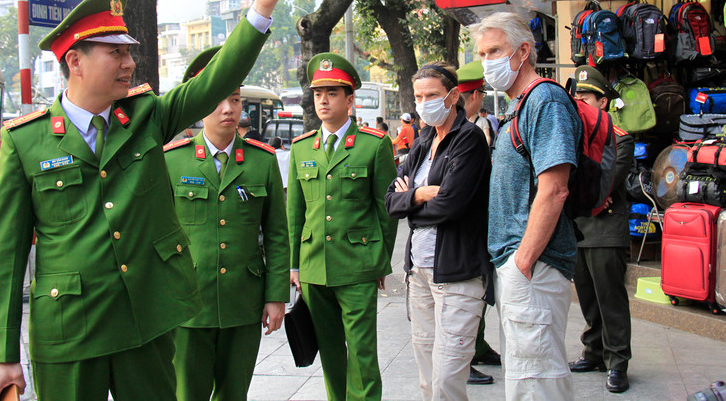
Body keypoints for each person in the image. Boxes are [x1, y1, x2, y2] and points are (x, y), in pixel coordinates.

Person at [0, 0, 300, 401]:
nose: (130, 62)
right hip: (71, 332)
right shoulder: (26, 141)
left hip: (146, 322)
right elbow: (6, 256)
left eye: (129, 51)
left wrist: (261, 10)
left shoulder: (146, 117)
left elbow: (212, 81)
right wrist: (1, 355)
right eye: (115, 52)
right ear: (75, 61)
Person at [164, 47, 290, 401]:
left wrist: (276, 296)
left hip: (243, 300)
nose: (228, 109)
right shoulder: (173, 161)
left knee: (235, 393)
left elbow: (278, 235)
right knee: (188, 393)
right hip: (189, 302)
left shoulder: (261, 161)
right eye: (218, 100)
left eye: (235, 99)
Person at [472, 11, 580, 401]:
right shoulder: (520, 105)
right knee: (524, 373)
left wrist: (523, 261)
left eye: (495, 50)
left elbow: (555, 189)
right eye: (483, 53)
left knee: (537, 379)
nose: (488, 61)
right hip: (520, 263)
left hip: (534, 263)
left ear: (523, 51)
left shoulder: (545, 101)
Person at [286, 53, 397, 401]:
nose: (323, 100)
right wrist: (294, 264)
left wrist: (381, 261)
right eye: (318, 93)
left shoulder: (374, 144)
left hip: (358, 265)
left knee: (362, 353)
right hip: (314, 267)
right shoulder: (302, 147)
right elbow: (295, 212)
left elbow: (386, 210)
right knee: (331, 352)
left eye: (332, 93)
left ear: (350, 100)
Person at [385, 62, 492, 401]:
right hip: (418, 272)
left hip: (457, 273)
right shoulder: (423, 141)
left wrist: (409, 203)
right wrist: (418, 195)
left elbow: (450, 205)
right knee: (427, 375)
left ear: (453, 96)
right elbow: (390, 200)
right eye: (418, 96)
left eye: (432, 94)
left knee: (448, 376)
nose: (424, 102)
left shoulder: (469, 139)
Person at [568, 66, 633, 394]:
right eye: (575, 97)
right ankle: (594, 351)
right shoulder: (571, 140)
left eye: (585, 97)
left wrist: (587, 194)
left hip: (606, 231)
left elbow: (603, 184)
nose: (578, 101)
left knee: (610, 298)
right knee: (588, 298)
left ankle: (618, 362)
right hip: (579, 228)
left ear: (603, 102)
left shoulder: (620, 140)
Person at [455, 60, 502, 384]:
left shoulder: (475, 126)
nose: (481, 99)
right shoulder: (457, 132)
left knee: (482, 287)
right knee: (464, 297)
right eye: (480, 93)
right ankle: (463, 358)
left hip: (480, 221)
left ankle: (479, 344)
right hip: (460, 229)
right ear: (469, 95)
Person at [456, 61, 492, 147]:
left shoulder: (448, 123)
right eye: (483, 93)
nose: (483, 97)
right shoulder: (471, 131)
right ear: (475, 95)